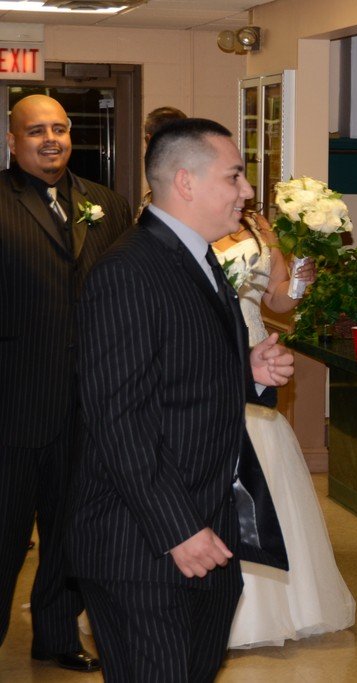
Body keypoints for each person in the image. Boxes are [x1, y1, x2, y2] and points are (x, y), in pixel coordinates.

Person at [68, 118, 294, 681]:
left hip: (206, 530)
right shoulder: (128, 269)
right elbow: (118, 416)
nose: (247, 191)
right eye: (234, 176)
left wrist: (247, 371)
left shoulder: (199, 256)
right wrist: (178, 529)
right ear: (186, 183)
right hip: (144, 544)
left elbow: (172, 373)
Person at [0, 94, 131, 673]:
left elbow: (127, 292)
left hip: (89, 405)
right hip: (12, 403)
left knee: (71, 533)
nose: (50, 139)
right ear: (12, 141)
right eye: (36, 131)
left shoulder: (107, 204)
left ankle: (55, 635)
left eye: (59, 128)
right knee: (4, 537)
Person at [213, 211, 356, 648]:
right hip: (211, 353)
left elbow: (277, 300)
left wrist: (298, 280)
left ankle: (276, 607)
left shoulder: (260, 230)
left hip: (259, 355)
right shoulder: (188, 222)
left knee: (267, 478)